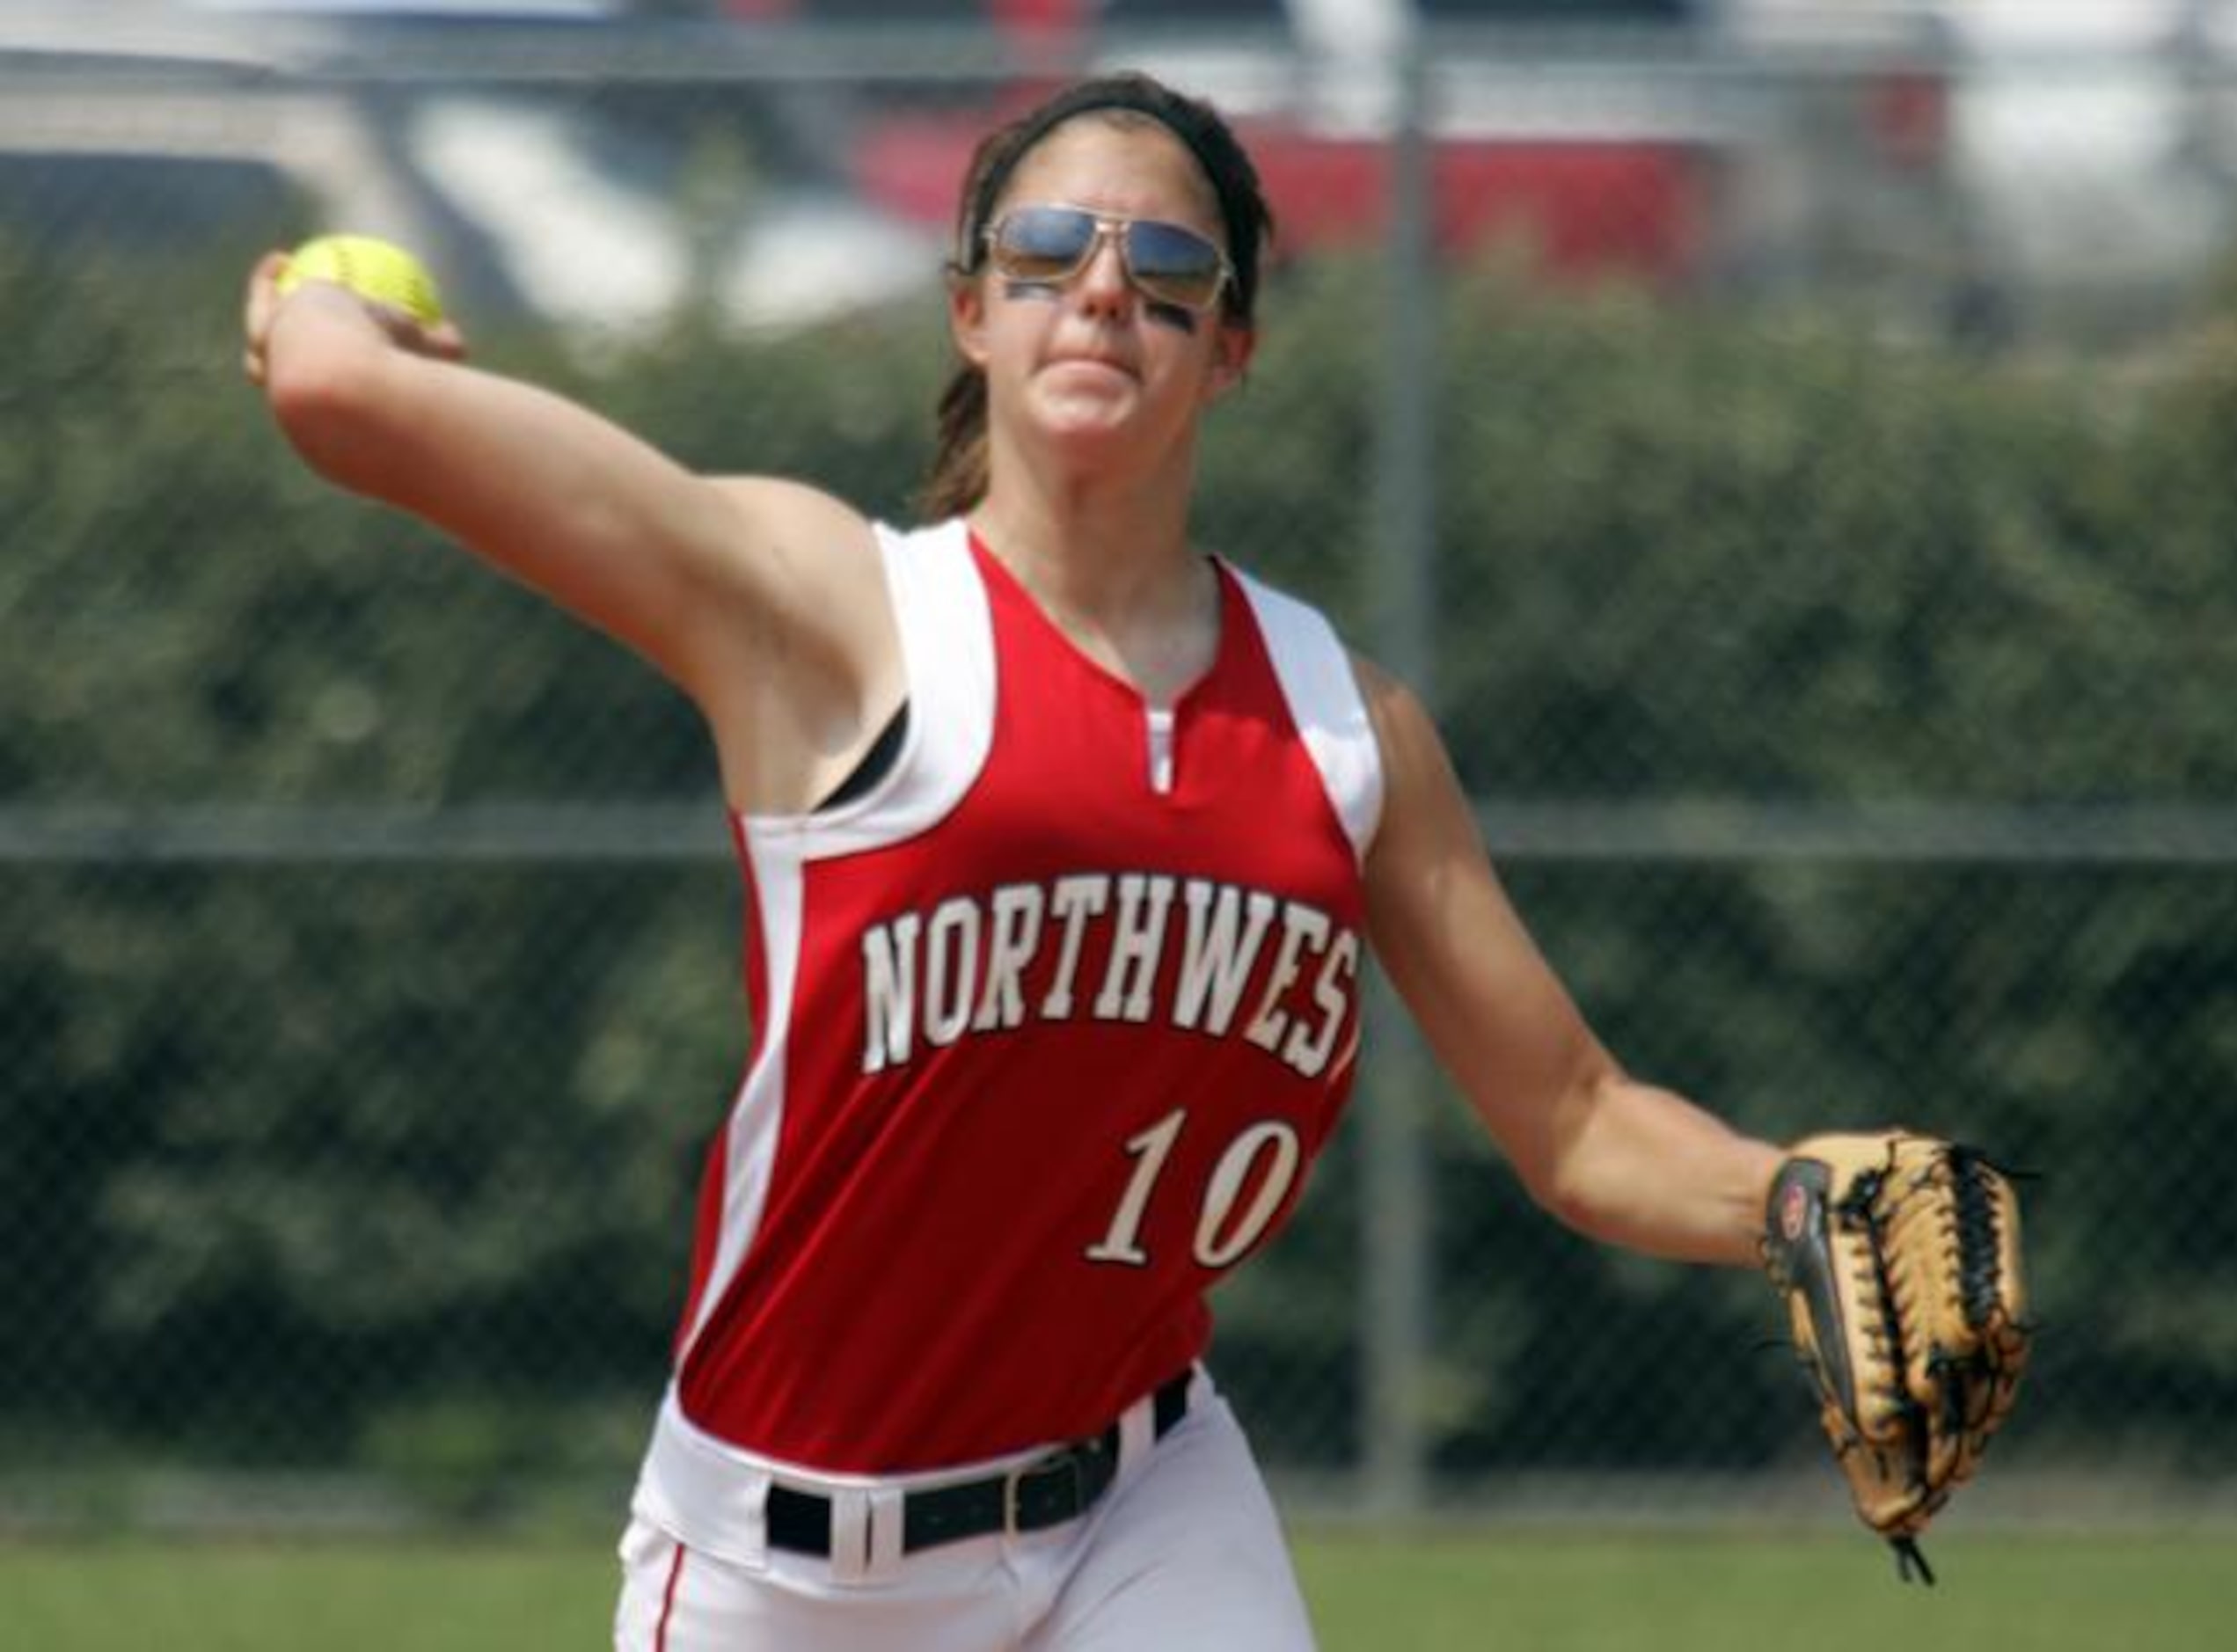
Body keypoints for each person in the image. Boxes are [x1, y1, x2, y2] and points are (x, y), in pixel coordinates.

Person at [245, 70, 1784, 1652]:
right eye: (1047, 251)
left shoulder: (1341, 731)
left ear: (1229, 349)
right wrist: (324, 308)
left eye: (1168, 268)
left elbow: (1581, 1120)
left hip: (1139, 1497)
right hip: (788, 1559)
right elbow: (337, 403)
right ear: (973, 312)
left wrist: (1796, 1200)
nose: (1104, 289)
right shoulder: (837, 618)